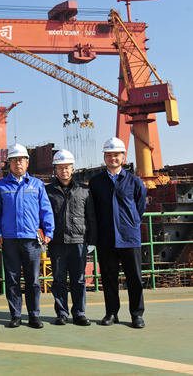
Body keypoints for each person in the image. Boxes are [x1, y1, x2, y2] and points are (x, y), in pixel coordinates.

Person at [0, 144, 54, 329]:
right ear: (9, 163)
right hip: (10, 239)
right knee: (12, 279)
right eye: (14, 160)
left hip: (31, 239)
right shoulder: (1, 185)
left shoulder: (37, 185)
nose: (17, 163)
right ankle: (16, 315)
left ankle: (34, 315)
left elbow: (46, 210)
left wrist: (48, 231)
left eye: (21, 160)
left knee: (32, 280)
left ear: (27, 162)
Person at [89, 137, 146, 329]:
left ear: (123, 157)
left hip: (129, 238)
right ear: (104, 157)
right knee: (109, 278)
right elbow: (92, 209)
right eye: (109, 155)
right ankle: (111, 313)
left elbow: (140, 207)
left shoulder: (135, 182)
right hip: (106, 238)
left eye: (116, 155)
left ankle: (137, 315)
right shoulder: (96, 182)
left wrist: (129, 224)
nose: (112, 158)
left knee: (134, 278)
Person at [46, 149, 96, 326]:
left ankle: (79, 313)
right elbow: (43, 216)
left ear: (72, 168)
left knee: (79, 280)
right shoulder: (48, 191)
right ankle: (61, 313)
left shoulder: (84, 190)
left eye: (67, 167)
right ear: (55, 169)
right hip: (57, 243)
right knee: (59, 280)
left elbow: (91, 217)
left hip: (78, 242)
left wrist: (92, 241)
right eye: (60, 168)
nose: (64, 171)